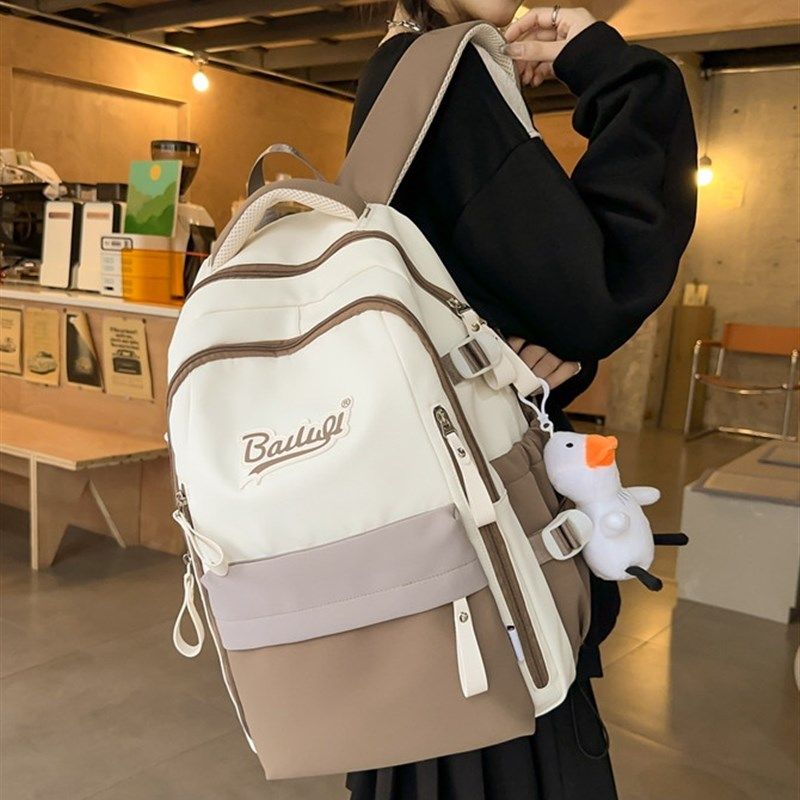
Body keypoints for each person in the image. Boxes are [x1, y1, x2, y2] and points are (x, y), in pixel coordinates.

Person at [345, 4, 698, 800]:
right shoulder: (443, 78)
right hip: (493, 555)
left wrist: (533, 350)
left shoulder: (400, 73)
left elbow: (491, 303)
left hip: (430, 547)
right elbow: (596, 293)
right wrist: (623, 75)